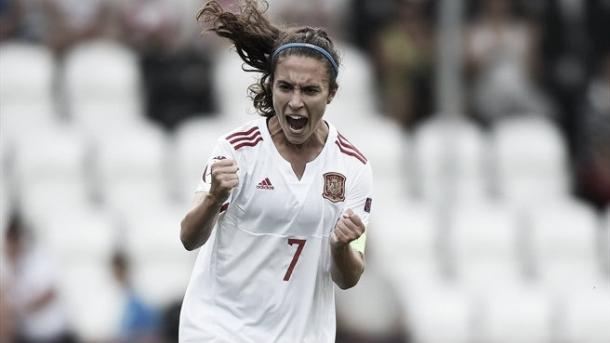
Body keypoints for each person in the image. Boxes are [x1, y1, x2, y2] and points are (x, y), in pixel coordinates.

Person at [178, 0, 374, 341]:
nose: (295, 102)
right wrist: (213, 198)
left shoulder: (353, 166)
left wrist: (342, 247)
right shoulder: (237, 148)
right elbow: (188, 237)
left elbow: (349, 277)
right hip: (220, 330)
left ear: (331, 94)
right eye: (286, 87)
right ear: (271, 86)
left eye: (310, 90)